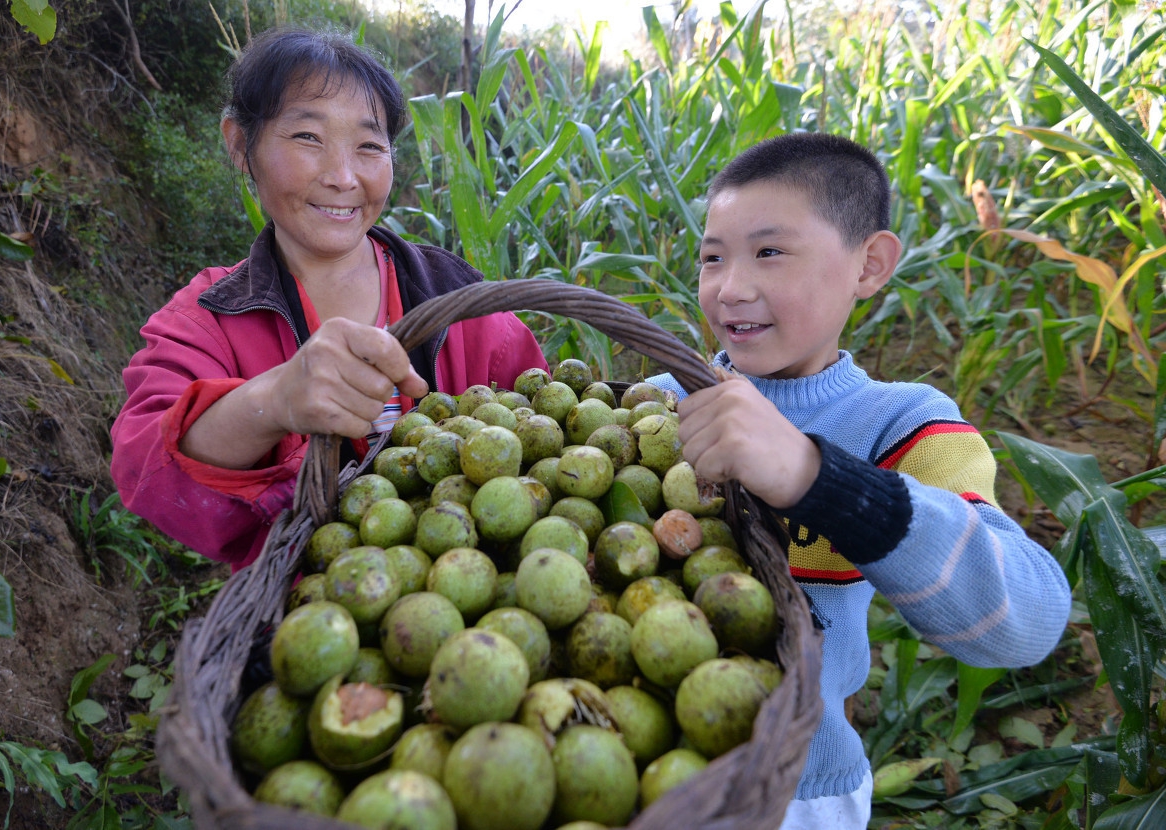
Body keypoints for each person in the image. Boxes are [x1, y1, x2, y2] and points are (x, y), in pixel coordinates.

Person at [646, 133, 1071, 829]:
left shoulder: (901, 423)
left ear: (869, 264)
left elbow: (1027, 622)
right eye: (712, 257)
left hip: (806, 795)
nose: (730, 287)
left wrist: (819, 478)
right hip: (652, 786)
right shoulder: (660, 404)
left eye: (770, 252)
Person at [110, 28, 547, 571]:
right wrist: (273, 400)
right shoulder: (209, 318)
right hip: (309, 617)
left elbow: (543, 432)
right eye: (307, 138)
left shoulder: (460, 301)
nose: (343, 178)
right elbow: (147, 467)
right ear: (240, 145)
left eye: (369, 146)